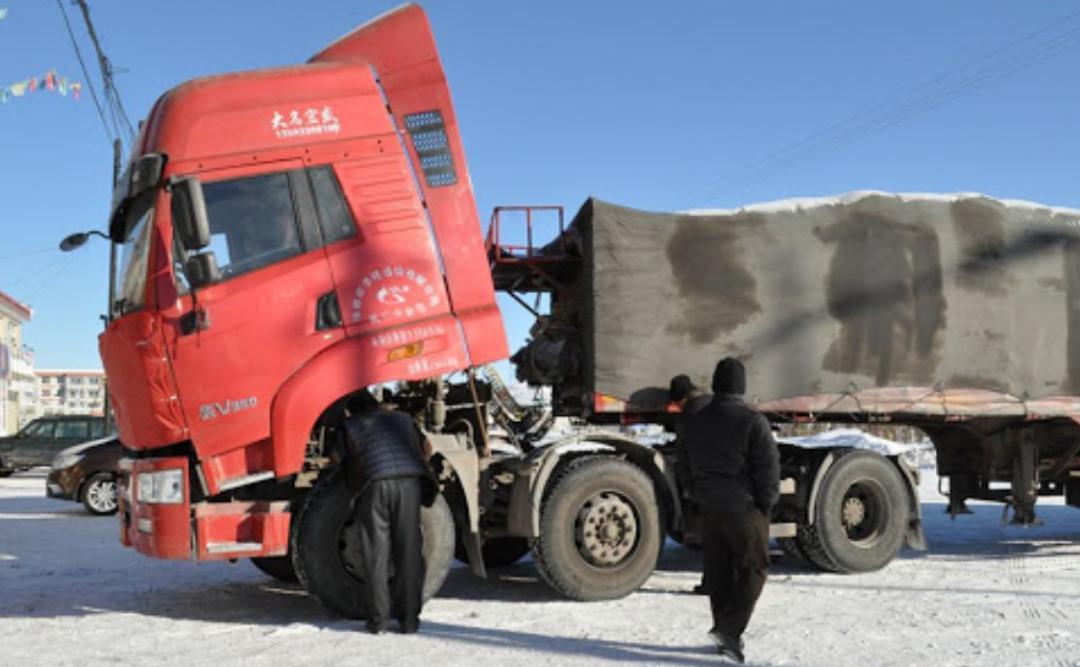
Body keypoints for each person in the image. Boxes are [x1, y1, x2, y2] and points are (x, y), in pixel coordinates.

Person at [682, 358, 780, 664]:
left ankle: (726, 636)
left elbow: (683, 465)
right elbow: (768, 469)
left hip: (710, 508)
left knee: (720, 572)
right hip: (744, 508)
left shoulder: (696, 421)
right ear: (741, 385)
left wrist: (696, 494)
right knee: (755, 569)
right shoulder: (752, 421)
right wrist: (765, 504)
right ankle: (728, 630)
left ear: (715, 384)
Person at [342, 391, 435, 635]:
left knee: (376, 553)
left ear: (352, 410)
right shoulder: (403, 419)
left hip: (374, 486)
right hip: (409, 483)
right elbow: (427, 447)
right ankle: (409, 620)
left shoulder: (351, 425)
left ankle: (378, 621)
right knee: (409, 551)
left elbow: (336, 459)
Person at [668, 374, 712, 594]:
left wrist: (688, 487)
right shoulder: (713, 404)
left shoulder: (690, 414)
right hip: (728, 478)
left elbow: (684, 454)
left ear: (681, 399)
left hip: (705, 479)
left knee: (712, 536)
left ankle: (711, 583)